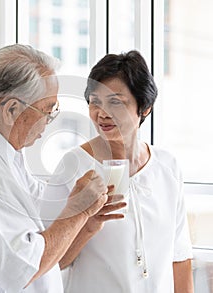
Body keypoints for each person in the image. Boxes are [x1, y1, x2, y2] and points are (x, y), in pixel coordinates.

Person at [0, 44, 123, 292]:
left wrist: (84, 205)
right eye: (48, 111)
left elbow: (34, 201)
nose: (50, 122)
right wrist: (77, 211)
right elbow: (23, 268)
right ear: (11, 109)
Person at [42, 50, 194, 292]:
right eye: (95, 102)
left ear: (145, 107)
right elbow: (49, 262)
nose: (102, 113)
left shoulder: (168, 167)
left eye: (115, 102)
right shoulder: (73, 166)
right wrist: (87, 224)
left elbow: (180, 256)